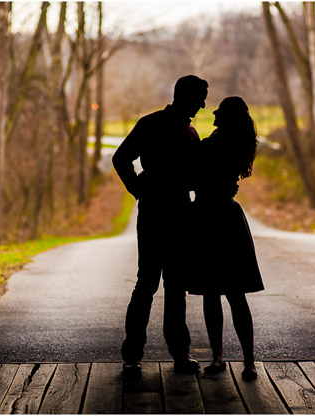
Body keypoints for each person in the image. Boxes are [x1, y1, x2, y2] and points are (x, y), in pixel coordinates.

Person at [112, 75, 208, 374]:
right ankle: (169, 355)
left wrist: (141, 190)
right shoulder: (167, 128)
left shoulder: (162, 126)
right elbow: (120, 158)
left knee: (161, 284)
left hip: (169, 211)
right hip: (165, 211)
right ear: (185, 97)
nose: (204, 105)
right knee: (156, 284)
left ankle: (139, 356)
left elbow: (122, 159)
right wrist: (139, 190)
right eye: (200, 98)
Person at [190, 96, 264, 381]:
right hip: (227, 215)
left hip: (209, 214)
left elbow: (194, 174)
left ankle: (219, 356)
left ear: (228, 116)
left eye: (220, 109)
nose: (214, 111)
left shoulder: (215, 143)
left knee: (213, 292)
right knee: (235, 293)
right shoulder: (237, 141)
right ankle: (248, 361)